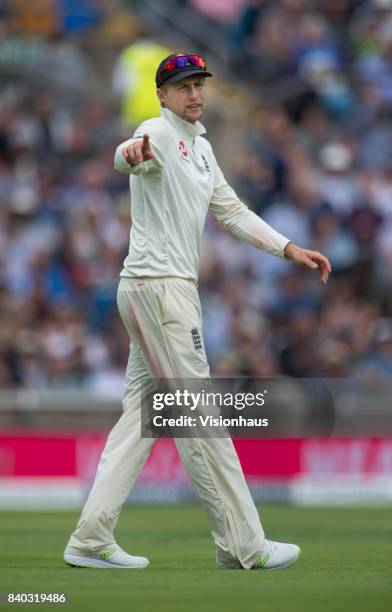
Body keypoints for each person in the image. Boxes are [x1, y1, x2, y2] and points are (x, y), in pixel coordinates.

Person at [63, 53, 331, 570]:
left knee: (142, 420)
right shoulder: (157, 133)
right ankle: (243, 543)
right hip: (158, 290)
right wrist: (131, 152)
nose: (194, 94)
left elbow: (230, 209)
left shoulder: (202, 149)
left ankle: (90, 537)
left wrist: (288, 247)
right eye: (183, 86)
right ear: (162, 94)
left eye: (199, 85)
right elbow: (126, 154)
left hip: (161, 291)